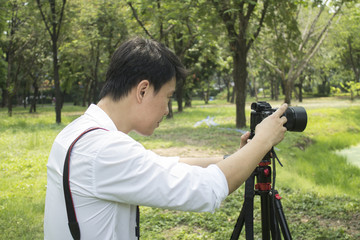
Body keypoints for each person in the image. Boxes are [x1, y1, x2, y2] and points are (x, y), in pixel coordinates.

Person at [43, 37, 288, 240]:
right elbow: (207, 189)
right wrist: (262, 141)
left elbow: (164, 165)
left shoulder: (79, 133)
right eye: (168, 96)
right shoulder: (104, 151)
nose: (167, 109)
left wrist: (236, 158)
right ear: (143, 90)